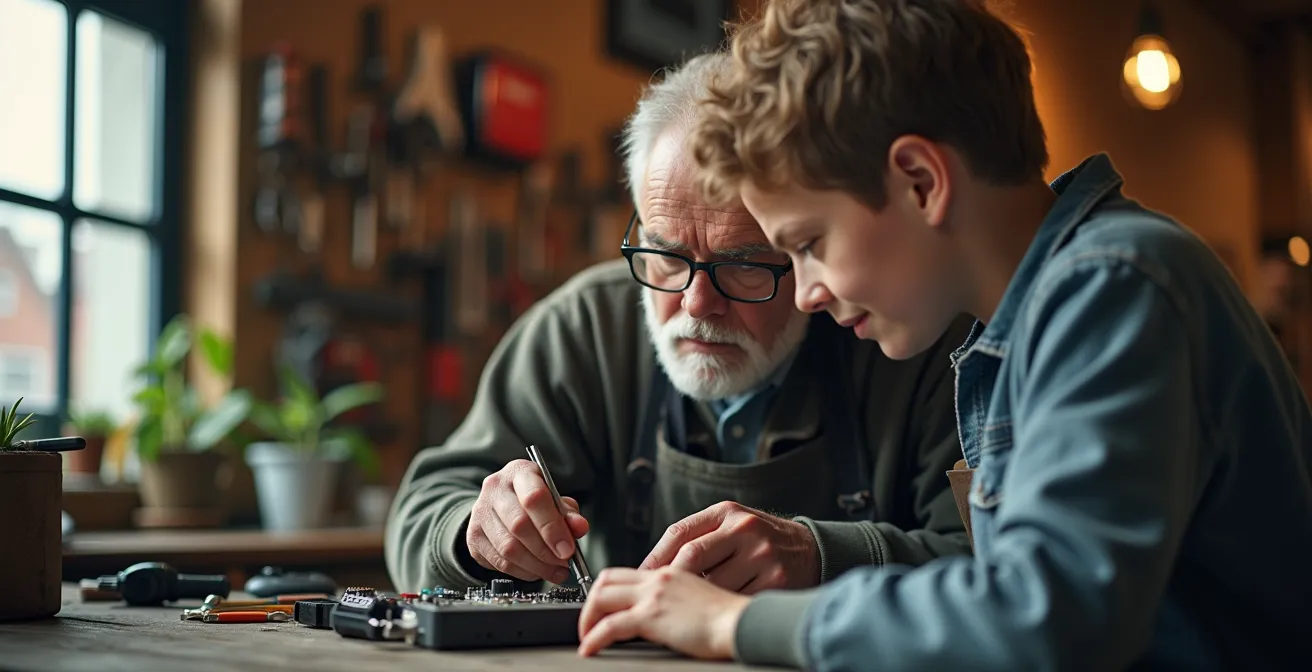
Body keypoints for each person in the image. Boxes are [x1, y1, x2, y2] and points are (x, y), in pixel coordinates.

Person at [574, 1, 1312, 669]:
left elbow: (1044, 619)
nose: (807, 290)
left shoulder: (1114, 287)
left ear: (921, 181)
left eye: (808, 243)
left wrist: (736, 624)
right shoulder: (1032, 314)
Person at [384, 52, 975, 597]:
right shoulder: (585, 330)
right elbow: (422, 510)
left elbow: (1003, 576)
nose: (696, 303)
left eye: (741, 267)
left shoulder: (909, 336)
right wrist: (473, 532)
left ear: (804, 249)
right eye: (667, 255)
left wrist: (826, 557)